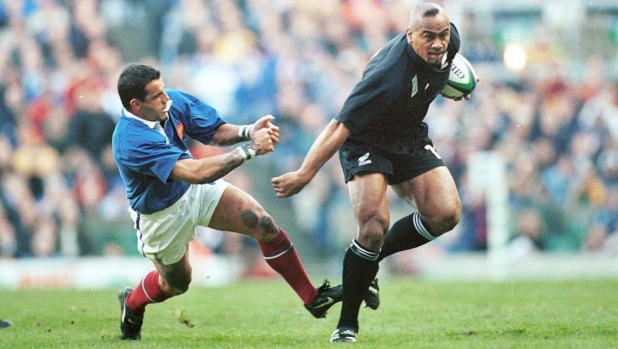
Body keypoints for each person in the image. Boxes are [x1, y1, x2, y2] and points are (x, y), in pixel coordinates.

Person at [272, 3, 470, 343]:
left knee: (446, 213)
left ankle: (370, 265)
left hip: (408, 135)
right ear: (410, 36)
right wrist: (305, 173)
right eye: (429, 37)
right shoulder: (387, 75)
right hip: (366, 141)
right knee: (374, 226)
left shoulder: (449, 44)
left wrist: (468, 84)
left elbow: (451, 69)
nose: (438, 44)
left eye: (443, 35)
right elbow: (338, 127)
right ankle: (346, 325)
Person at [112, 64, 341, 341]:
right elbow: (197, 172)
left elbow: (216, 132)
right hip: (161, 216)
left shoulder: (171, 102)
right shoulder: (130, 140)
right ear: (136, 105)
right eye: (157, 96)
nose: (166, 99)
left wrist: (249, 131)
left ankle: (312, 298)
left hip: (192, 190)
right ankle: (133, 302)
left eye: (163, 89)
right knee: (176, 284)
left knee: (262, 223)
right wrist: (250, 149)